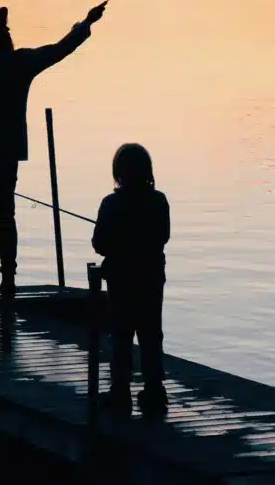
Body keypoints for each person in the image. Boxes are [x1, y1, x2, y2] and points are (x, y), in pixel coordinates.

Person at [0, 2, 106, 299]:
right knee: (6, 219)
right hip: (6, 158)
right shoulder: (21, 63)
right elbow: (60, 49)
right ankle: (8, 282)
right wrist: (86, 23)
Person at [91, 143, 171, 416]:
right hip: (151, 280)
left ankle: (120, 391)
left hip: (121, 280)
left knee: (122, 335)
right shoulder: (159, 201)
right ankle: (155, 391)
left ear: (118, 173)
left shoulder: (110, 204)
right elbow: (163, 236)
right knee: (151, 335)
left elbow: (99, 243)